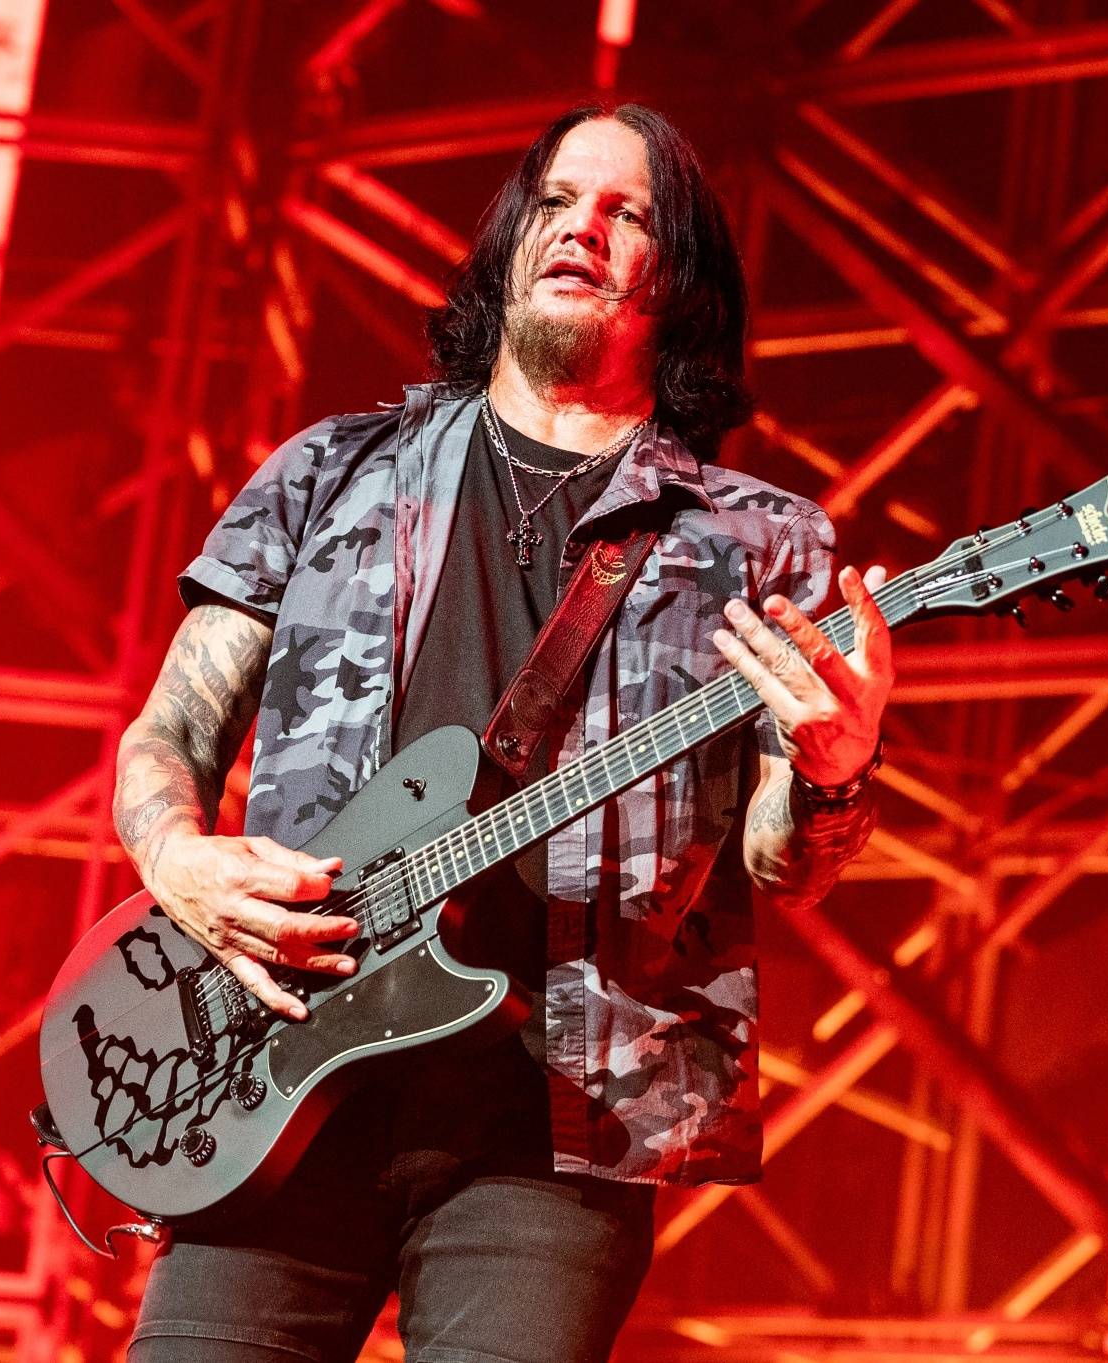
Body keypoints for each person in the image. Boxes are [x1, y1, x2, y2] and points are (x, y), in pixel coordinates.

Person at [112, 102, 894, 1363]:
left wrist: (831, 776)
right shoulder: (331, 472)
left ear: (677, 280)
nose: (580, 227)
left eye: (625, 213)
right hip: (273, 1073)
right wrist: (177, 858)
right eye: (556, 202)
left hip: (554, 1126)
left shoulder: (756, 544)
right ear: (510, 242)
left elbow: (779, 864)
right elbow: (170, 733)